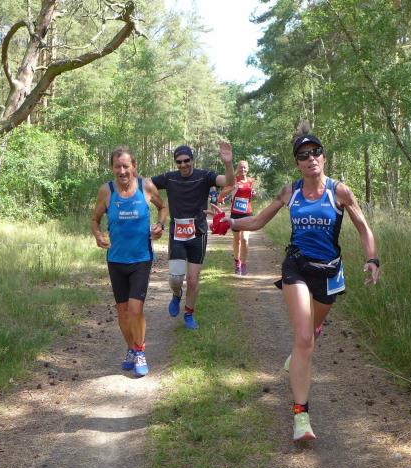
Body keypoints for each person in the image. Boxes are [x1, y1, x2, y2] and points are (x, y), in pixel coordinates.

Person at [224, 131, 379, 441]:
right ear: (297, 163)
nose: (311, 159)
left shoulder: (339, 191)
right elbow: (257, 221)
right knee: (305, 338)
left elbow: (363, 227)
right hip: (296, 266)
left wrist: (372, 258)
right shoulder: (290, 192)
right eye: (303, 155)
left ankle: (296, 356)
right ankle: (301, 416)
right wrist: (230, 223)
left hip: (328, 272)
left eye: (315, 152)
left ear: (324, 156)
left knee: (312, 331)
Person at [91, 146, 168, 377]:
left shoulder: (146, 186)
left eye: (126, 166)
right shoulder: (106, 191)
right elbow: (95, 220)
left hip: (141, 259)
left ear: (134, 166)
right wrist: (98, 235)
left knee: (135, 309)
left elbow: (163, 207)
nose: (122, 171)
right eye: (118, 167)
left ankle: (140, 351)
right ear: (112, 168)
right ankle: (131, 349)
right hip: (116, 260)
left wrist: (160, 225)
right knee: (123, 311)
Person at [151, 142, 234, 330]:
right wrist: (129, 172)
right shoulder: (169, 178)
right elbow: (146, 184)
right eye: (179, 162)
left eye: (186, 160)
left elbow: (229, 181)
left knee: (193, 279)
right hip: (177, 234)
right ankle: (176, 294)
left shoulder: (204, 176)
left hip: (198, 233)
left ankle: (188, 314)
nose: (183, 165)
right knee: (175, 278)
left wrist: (228, 163)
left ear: (192, 160)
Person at [217, 160, 255, 275]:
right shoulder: (233, 180)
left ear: (248, 169)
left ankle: (243, 264)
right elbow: (221, 195)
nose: (243, 169)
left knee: (245, 239)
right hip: (235, 214)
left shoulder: (251, 181)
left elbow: (251, 195)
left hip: (247, 213)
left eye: (244, 167)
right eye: (240, 167)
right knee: (237, 239)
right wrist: (232, 188)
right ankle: (237, 261)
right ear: (237, 169)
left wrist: (254, 194)